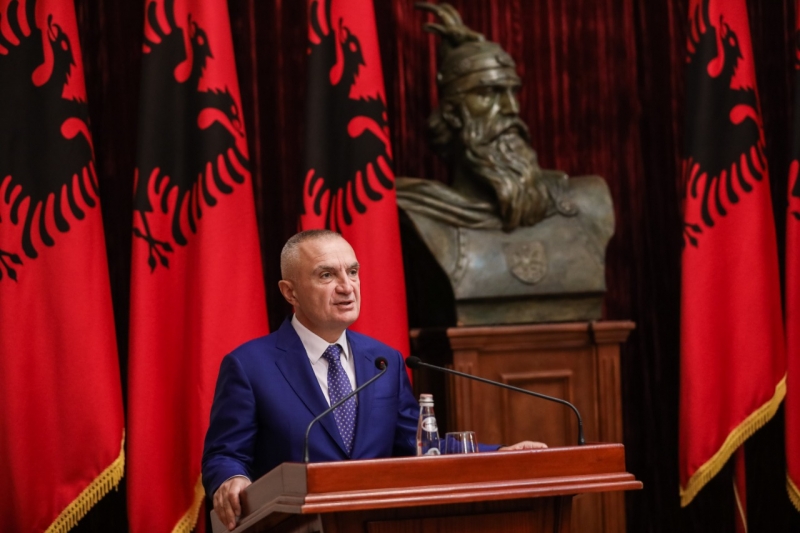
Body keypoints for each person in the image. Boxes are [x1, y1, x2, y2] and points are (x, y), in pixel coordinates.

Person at [202, 230, 545, 530]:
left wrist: (499, 454)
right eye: (326, 275)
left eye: (352, 272)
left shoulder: (384, 361)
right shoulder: (250, 365)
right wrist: (232, 479)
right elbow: (224, 454)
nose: (346, 287)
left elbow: (419, 445)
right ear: (290, 292)